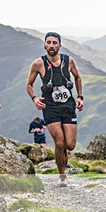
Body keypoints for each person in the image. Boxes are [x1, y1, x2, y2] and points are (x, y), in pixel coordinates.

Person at [25, 32, 84, 187]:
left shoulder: (68, 61)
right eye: (49, 42)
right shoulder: (38, 64)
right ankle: (62, 176)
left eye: (54, 43)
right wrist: (34, 98)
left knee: (69, 145)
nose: (51, 46)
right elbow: (29, 85)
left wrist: (80, 97)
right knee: (59, 142)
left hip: (68, 105)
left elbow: (77, 77)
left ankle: (64, 152)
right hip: (50, 106)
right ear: (45, 45)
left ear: (60, 45)